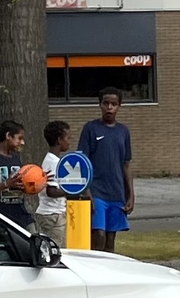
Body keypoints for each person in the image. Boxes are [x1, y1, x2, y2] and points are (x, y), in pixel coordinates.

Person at [81, 88, 134, 253]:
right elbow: (82, 162)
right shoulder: (91, 129)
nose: (109, 107)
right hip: (97, 191)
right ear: (100, 105)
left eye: (114, 104)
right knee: (99, 234)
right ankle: (93, 270)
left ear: (119, 106)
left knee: (110, 238)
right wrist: (87, 191)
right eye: (106, 103)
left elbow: (126, 164)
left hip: (116, 193)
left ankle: (109, 273)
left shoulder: (123, 132)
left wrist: (130, 195)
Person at [0, 119, 33, 229]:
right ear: (8, 136)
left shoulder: (16, 158)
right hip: (1, 217)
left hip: (21, 215)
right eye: (19, 138)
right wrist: (6, 184)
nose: (22, 143)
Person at [36, 120, 73, 245]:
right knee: (56, 251)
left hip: (53, 214)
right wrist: (72, 190)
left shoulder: (53, 160)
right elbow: (51, 191)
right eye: (67, 137)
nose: (69, 141)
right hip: (52, 215)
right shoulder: (53, 162)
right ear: (59, 140)